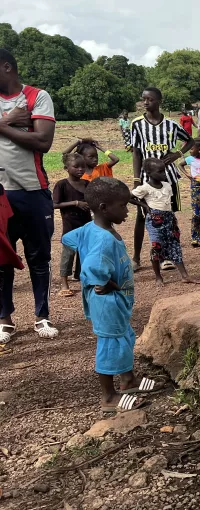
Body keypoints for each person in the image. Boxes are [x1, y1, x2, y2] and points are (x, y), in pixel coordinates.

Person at [62, 177, 156, 413]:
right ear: (104, 208)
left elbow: (67, 239)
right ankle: (109, 396)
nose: (126, 210)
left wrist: (86, 242)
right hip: (107, 302)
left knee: (123, 337)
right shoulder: (104, 240)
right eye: (123, 205)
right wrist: (104, 282)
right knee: (110, 345)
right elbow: (93, 267)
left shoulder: (94, 229)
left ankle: (129, 380)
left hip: (114, 302)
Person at [0, 48, 59, 340]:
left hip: (33, 191)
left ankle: (42, 316)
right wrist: (10, 121)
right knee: (1, 260)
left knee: (40, 257)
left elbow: (43, 141)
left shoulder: (38, 97)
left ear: (6, 67)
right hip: (0, 196)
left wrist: (3, 126)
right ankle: (5, 319)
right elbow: (30, 134)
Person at [130, 87, 194, 271]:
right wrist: (136, 179)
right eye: (144, 99)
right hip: (146, 180)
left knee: (168, 218)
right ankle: (136, 258)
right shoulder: (137, 124)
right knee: (142, 217)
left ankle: (166, 257)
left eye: (150, 99)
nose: (146, 102)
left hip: (168, 179)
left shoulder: (171, 125)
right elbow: (136, 152)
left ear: (159, 101)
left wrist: (178, 154)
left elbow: (190, 140)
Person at [132, 159, 199, 286]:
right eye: (160, 171)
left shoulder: (167, 185)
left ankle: (185, 276)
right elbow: (129, 197)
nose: (164, 174)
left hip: (169, 218)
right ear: (149, 173)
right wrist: (144, 206)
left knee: (175, 245)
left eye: (164, 170)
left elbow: (169, 202)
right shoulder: (145, 188)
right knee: (157, 247)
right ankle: (158, 277)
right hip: (155, 220)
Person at [53, 153, 92, 297]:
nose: (81, 169)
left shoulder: (87, 184)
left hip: (86, 223)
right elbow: (54, 204)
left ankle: (81, 277)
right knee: (68, 253)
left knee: (85, 251)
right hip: (70, 224)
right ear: (66, 168)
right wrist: (76, 203)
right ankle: (64, 282)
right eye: (76, 166)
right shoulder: (62, 184)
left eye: (83, 166)